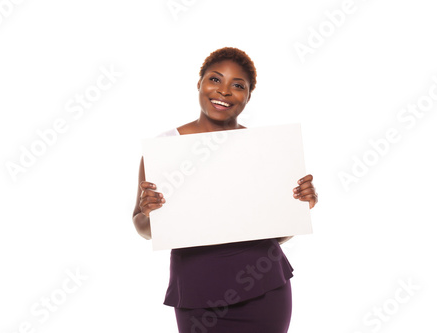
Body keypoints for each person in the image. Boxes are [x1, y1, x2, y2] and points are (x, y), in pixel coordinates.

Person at [132, 47, 318, 333]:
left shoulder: (264, 149)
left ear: (248, 96)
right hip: (196, 291)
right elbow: (144, 229)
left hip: (265, 286)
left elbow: (278, 236)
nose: (225, 91)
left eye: (238, 85)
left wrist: (298, 206)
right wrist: (150, 212)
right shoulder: (164, 149)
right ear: (200, 83)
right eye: (215, 80)